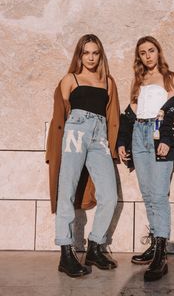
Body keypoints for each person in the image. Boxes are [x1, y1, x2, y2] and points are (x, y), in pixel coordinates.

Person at [46, 34, 120, 278]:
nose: (90, 57)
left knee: (109, 195)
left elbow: (113, 118)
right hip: (75, 133)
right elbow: (61, 115)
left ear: (100, 55)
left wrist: (116, 145)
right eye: (86, 52)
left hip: (100, 139)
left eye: (95, 53)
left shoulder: (108, 82)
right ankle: (66, 253)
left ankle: (95, 247)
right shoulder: (70, 79)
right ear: (79, 54)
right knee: (66, 191)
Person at [118, 36, 174, 282]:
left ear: (158, 52)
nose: (148, 56)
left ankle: (161, 254)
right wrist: (121, 142)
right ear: (139, 57)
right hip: (139, 135)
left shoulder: (170, 77)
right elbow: (130, 114)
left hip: (159, 135)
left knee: (159, 196)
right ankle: (155, 245)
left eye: (151, 50)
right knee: (148, 195)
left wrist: (167, 141)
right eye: (143, 53)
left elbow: (173, 111)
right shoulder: (139, 80)